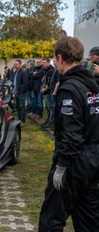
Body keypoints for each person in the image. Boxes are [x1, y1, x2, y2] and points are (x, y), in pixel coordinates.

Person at [39, 36, 99, 231]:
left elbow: (72, 135)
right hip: (92, 161)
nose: (55, 63)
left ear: (60, 57)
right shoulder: (92, 85)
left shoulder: (70, 88)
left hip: (74, 163)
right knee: (89, 220)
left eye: (55, 59)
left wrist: (62, 167)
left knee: (50, 220)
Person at [10, 60, 28, 124]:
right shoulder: (15, 72)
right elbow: (12, 80)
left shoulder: (23, 72)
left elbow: (25, 83)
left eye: (17, 64)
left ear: (20, 65)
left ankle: (22, 120)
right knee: (17, 106)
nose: (15, 65)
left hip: (21, 92)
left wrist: (21, 91)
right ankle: (19, 119)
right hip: (16, 92)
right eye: (15, 64)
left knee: (22, 106)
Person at [40, 58, 55, 127]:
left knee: (50, 107)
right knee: (46, 107)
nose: (43, 64)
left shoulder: (51, 70)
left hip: (48, 92)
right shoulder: (45, 70)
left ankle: (51, 122)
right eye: (43, 63)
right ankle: (47, 120)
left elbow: (49, 83)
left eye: (45, 62)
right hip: (45, 92)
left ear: (49, 63)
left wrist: (45, 90)